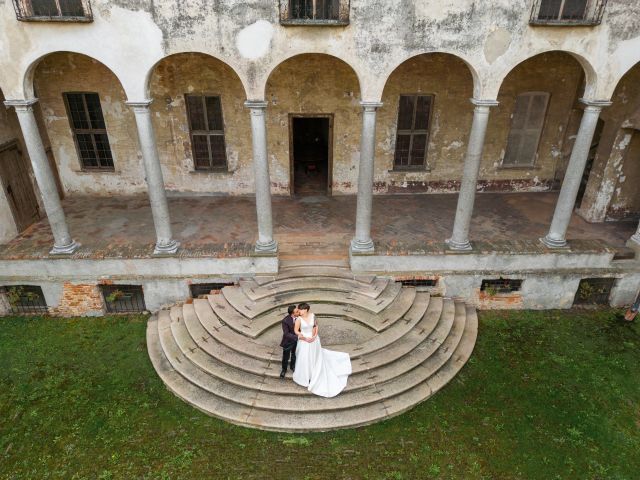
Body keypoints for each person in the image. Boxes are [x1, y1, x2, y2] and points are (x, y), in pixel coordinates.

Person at [292, 302, 352, 397]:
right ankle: (306, 376)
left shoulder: (313, 315)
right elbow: (296, 330)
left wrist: (315, 336)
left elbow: (315, 326)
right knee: (305, 358)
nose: (299, 311)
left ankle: (314, 372)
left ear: (306, 310)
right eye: (298, 310)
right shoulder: (299, 319)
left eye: (300, 309)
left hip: (314, 340)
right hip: (304, 340)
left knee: (315, 356)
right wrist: (301, 336)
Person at [279, 305, 298, 379]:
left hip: (297, 342)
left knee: (294, 354)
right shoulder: (285, 320)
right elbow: (286, 333)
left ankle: (292, 367)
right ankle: (284, 369)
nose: (298, 311)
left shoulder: (300, 318)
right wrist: (297, 337)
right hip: (288, 342)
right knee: (285, 356)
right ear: (292, 313)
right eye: (297, 311)